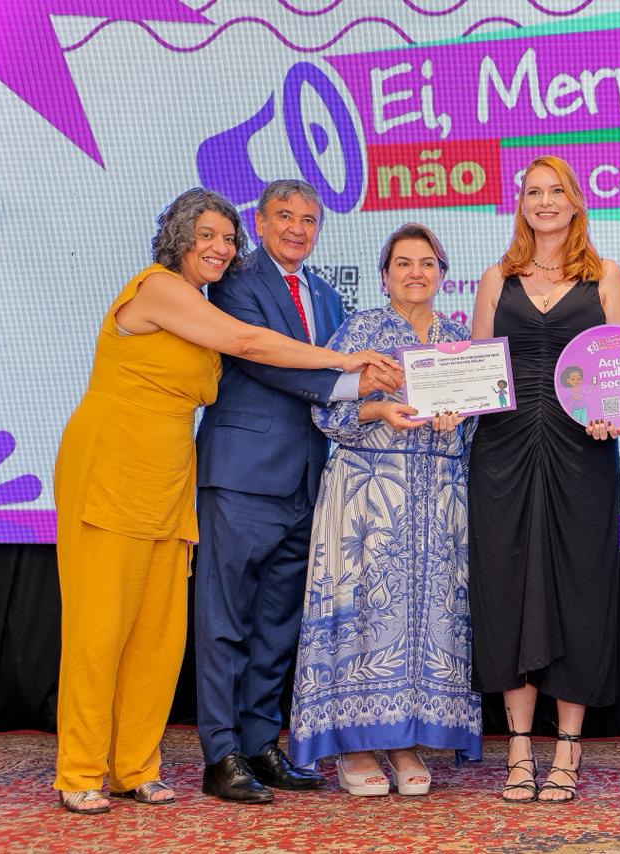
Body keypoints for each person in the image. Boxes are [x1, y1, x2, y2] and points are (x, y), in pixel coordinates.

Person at [53, 188, 389, 814]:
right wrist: (346, 363)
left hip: (171, 473)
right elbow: (252, 346)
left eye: (227, 239)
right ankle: (80, 768)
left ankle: (135, 766)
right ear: (179, 236)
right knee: (100, 629)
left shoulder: (212, 302)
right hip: (114, 462)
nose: (220, 247)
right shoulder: (158, 288)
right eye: (207, 235)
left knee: (158, 634)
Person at [193, 180, 402, 803]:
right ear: (259, 222)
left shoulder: (329, 297)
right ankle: (221, 753)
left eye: (309, 220)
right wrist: (353, 382)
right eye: (284, 216)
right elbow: (263, 359)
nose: (296, 229)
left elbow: (342, 377)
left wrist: (391, 388)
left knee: (277, 624)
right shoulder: (235, 281)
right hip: (242, 475)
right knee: (225, 620)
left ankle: (260, 743)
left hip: (308, 481)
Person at [288, 223, 481, 796]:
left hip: (439, 495)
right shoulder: (361, 331)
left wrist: (458, 417)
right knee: (365, 612)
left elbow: (477, 425)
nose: (415, 273)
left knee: (427, 615)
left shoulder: (459, 339)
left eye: (427, 263)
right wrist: (379, 410)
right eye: (403, 263)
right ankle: (354, 745)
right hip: (367, 494)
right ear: (384, 275)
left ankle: (404, 740)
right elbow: (325, 410)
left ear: (443, 275)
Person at [468, 154, 620, 803]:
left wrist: (615, 415)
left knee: (578, 591)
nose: (544, 201)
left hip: (581, 453)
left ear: (575, 201)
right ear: (521, 204)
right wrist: (450, 403)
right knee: (507, 592)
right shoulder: (496, 278)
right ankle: (517, 749)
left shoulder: (605, 276)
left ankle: (567, 748)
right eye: (533, 191)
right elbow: (477, 373)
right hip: (502, 454)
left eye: (555, 190)